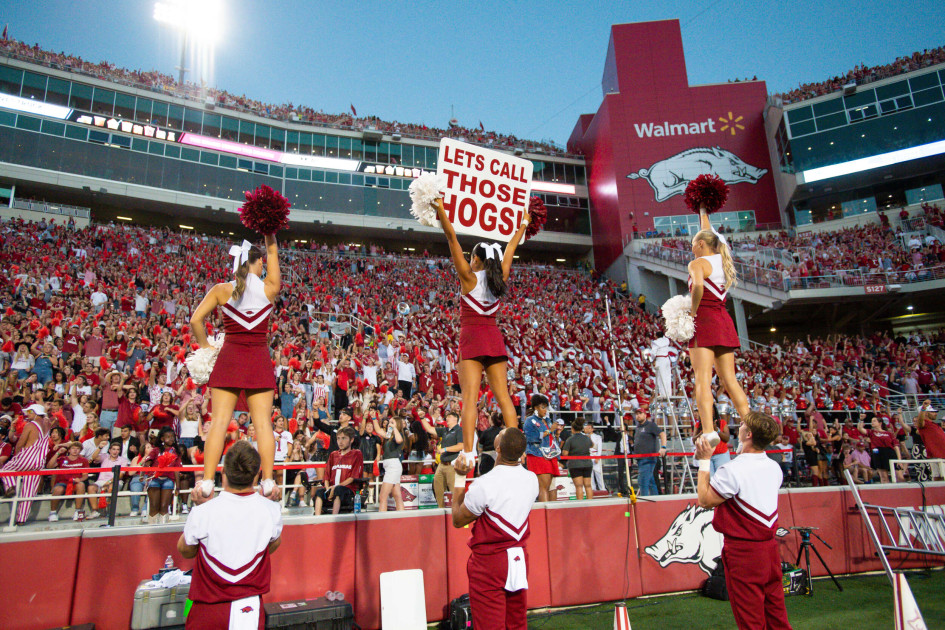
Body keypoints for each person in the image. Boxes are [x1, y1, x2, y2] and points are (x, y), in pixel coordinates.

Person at [433, 196, 530, 463]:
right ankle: (516, 452)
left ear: (475, 258)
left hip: (472, 338)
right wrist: (523, 223)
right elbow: (511, 246)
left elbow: (452, 239)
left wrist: (441, 210)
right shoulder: (502, 276)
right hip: (494, 338)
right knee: (505, 399)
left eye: (472, 257)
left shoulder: (468, 277)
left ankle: (467, 453)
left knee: (469, 399)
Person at [190, 236, 282, 504]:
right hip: (258, 359)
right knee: (263, 423)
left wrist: (207, 347)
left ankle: (207, 482)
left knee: (218, 422)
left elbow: (196, 320)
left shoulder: (221, 289)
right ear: (259, 262)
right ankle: (267, 481)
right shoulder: (269, 287)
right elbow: (273, 248)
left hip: (229, 356)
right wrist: (270, 234)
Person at [696, 411, 791, 630]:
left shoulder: (732, 470)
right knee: (777, 617)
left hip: (743, 551)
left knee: (750, 620)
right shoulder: (774, 468)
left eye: (741, 425)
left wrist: (704, 462)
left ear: (748, 434)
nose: (737, 427)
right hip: (770, 550)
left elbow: (705, 500)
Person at [179, 441, 282, 629]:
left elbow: (185, 550)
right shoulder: (271, 510)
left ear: (223, 472)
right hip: (248, 607)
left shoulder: (204, 511)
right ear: (257, 474)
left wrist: (199, 507)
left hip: (206, 607)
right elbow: (272, 546)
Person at [451, 428, 538, 630]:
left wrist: (459, 477)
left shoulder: (484, 484)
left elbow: (457, 519)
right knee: (516, 622)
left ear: (497, 448)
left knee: (490, 624)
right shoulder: (532, 480)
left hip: (489, 561)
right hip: (519, 558)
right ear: (522, 453)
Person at [688, 208, 750, 446]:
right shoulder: (724, 260)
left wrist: (692, 312)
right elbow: (706, 229)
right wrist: (703, 210)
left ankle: (708, 431)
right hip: (724, 320)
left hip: (704, 320)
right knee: (730, 380)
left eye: (693, 244)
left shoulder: (698, 263)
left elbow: (698, 289)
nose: (691, 248)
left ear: (701, 244)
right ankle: (750, 424)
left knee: (702, 379)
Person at [1, 403, 53, 523]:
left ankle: (10, 487)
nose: (27, 415)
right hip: (39, 460)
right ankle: (21, 519)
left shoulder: (30, 425)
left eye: (29, 412)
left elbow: (21, 443)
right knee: (29, 491)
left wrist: (16, 456)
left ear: (34, 412)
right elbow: (46, 417)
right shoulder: (47, 423)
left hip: (27, 456)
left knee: (5, 470)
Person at [313, 426, 363, 515]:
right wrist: (328, 488)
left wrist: (335, 487)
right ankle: (317, 519)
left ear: (351, 440)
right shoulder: (333, 455)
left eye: (344, 438)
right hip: (331, 489)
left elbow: (352, 477)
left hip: (347, 491)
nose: (340, 441)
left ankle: (334, 518)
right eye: (338, 438)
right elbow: (327, 476)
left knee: (338, 490)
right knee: (319, 492)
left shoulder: (356, 454)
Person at [523, 395, 560, 502]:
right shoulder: (530, 421)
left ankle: (552, 514)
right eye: (542, 407)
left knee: (551, 487)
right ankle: (545, 515)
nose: (545, 410)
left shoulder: (547, 420)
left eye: (546, 407)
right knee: (543, 487)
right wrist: (549, 431)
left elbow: (551, 439)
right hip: (537, 455)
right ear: (535, 407)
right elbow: (531, 438)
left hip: (550, 455)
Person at [375, 414, 406, 511]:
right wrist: (373, 418)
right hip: (390, 466)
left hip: (393, 466)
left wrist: (394, 428)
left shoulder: (399, 434)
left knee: (383, 496)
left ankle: (382, 520)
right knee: (397, 495)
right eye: (389, 422)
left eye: (392, 422)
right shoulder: (389, 435)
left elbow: (399, 440)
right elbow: (378, 430)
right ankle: (402, 517)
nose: (389, 424)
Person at [633, 408, 666, 496]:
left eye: (640, 413)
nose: (638, 415)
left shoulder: (650, 425)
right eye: (636, 414)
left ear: (645, 415)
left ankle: (644, 503)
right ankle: (655, 501)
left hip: (648, 459)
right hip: (640, 459)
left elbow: (662, 434)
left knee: (643, 481)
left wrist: (663, 447)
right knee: (651, 482)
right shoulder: (638, 427)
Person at [433, 411, 463, 507]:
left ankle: (458, 513)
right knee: (438, 489)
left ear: (455, 419)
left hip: (452, 464)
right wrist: (422, 419)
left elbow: (461, 446)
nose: (447, 418)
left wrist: (445, 449)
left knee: (454, 491)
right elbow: (430, 429)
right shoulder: (445, 430)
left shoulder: (459, 430)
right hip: (441, 464)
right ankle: (441, 511)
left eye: (449, 416)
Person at [561, 418, 594, 500]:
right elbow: (592, 445)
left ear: (572, 429)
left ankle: (580, 505)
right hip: (587, 463)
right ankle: (591, 503)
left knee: (579, 486)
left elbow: (565, 453)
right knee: (588, 485)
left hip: (575, 464)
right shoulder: (586, 438)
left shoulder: (570, 439)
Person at [650, 334, 678, 399]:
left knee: (661, 377)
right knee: (667, 376)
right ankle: (669, 393)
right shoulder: (666, 340)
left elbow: (653, 353)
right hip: (667, 359)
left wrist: (651, 359)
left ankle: (663, 394)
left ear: (656, 336)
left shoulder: (656, 342)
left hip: (660, 359)